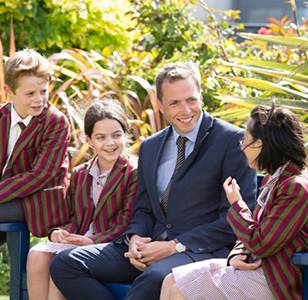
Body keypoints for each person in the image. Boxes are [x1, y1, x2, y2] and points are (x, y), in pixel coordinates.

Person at [50, 61, 257, 300]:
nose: (186, 110)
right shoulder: (151, 146)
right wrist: (135, 239)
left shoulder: (232, 140)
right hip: (150, 247)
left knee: (153, 278)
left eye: (191, 99)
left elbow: (237, 215)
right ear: (160, 105)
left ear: (201, 96)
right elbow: (144, 208)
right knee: (66, 263)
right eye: (174, 103)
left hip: (199, 250)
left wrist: (176, 245)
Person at [160, 102, 308, 300]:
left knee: (181, 290)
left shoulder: (295, 187)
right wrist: (236, 254)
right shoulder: (275, 179)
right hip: (256, 269)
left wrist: (237, 204)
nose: (242, 148)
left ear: (259, 145)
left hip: (274, 280)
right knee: (171, 280)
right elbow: (255, 231)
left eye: (244, 141)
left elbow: (261, 242)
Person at [26, 100, 138, 300]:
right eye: (101, 137)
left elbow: (126, 222)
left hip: (113, 247)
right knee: (37, 254)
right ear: (89, 139)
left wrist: (91, 241)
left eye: (116, 135)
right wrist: (58, 233)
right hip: (81, 242)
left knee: (60, 263)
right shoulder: (79, 173)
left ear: (125, 134)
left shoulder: (133, 171)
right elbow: (72, 218)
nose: (110, 143)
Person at [0, 49, 70, 243]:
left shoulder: (56, 122)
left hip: (37, 199)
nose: (39, 99)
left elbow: (41, 174)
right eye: (30, 94)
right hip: (7, 195)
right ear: (9, 91)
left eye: (43, 91)